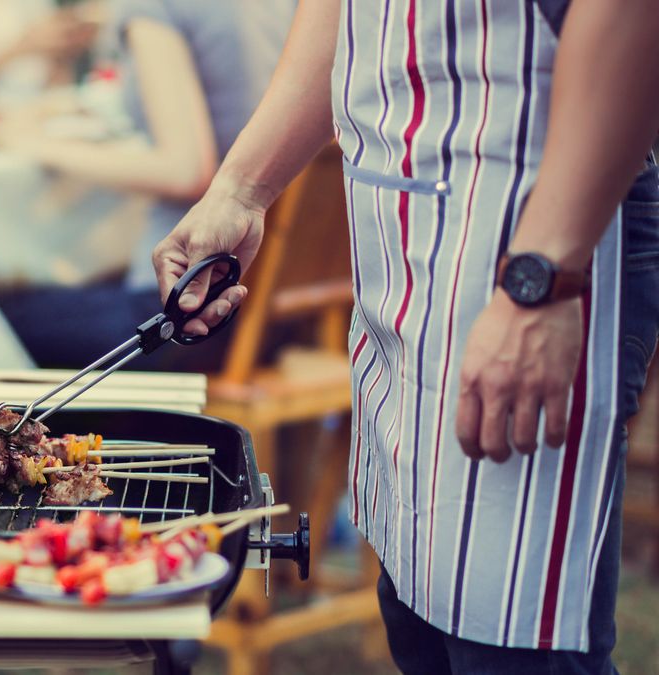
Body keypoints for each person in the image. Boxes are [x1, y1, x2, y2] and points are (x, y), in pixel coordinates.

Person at [155, 1, 659, 672]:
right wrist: (241, 189)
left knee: (504, 640)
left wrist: (544, 278)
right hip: (403, 240)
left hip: (530, 231)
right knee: (418, 619)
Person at [0, 0, 295, 370]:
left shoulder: (152, 5)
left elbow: (183, 170)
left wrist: (32, 144)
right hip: (271, 315)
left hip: (179, 315)